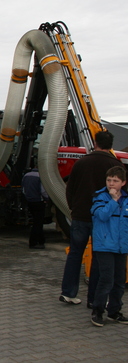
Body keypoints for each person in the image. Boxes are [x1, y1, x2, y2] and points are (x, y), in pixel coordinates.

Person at [60, 131, 125, 306]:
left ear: (95, 143)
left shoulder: (81, 163)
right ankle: (94, 299)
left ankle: (68, 292)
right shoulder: (115, 165)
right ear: (111, 145)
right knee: (98, 257)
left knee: (75, 254)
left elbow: (69, 188)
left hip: (80, 216)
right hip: (103, 220)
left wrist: (74, 208)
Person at [89, 166, 128, 326]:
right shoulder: (100, 197)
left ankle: (114, 311)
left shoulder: (126, 199)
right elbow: (102, 215)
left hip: (121, 246)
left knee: (119, 280)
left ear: (123, 183)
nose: (111, 184)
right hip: (104, 245)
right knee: (106, 279)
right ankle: (97, 311)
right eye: (109, 180)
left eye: (115, 181)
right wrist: (113, 201)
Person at [22, 164, 49, 249]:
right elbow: (43, 190)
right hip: (39, 201)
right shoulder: (40, 177)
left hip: (30, 201)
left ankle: (41, 240)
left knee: (36, 221)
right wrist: (47, 198)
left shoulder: (26, 175)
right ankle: (33, 242)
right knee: (38, 223)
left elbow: (23, 189)